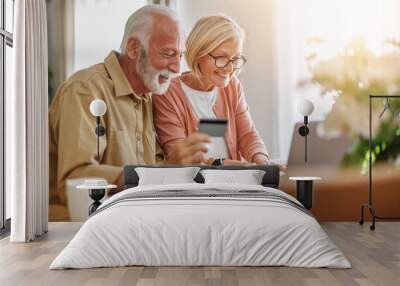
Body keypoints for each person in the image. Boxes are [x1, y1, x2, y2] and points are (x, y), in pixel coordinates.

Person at [49, 5, 210, 205]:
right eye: (168, 53)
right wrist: (165, 170)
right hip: (76, 228)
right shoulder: (85, 90)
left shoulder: (150, 95)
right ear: (134, 48)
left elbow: (157, 166)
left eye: (179, 55)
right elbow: (76, 181)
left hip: (127, 219)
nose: (177, 68)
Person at [153, 15, 270, 166]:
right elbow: (181, 158)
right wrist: (233, 165)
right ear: (198, 54)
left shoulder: (233, 87)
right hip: (195, 187)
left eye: (236, 58)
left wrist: (263, 162)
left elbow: (248, 136)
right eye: (221, 57)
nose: (230, 68)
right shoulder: (167, 93)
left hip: (235, 183)